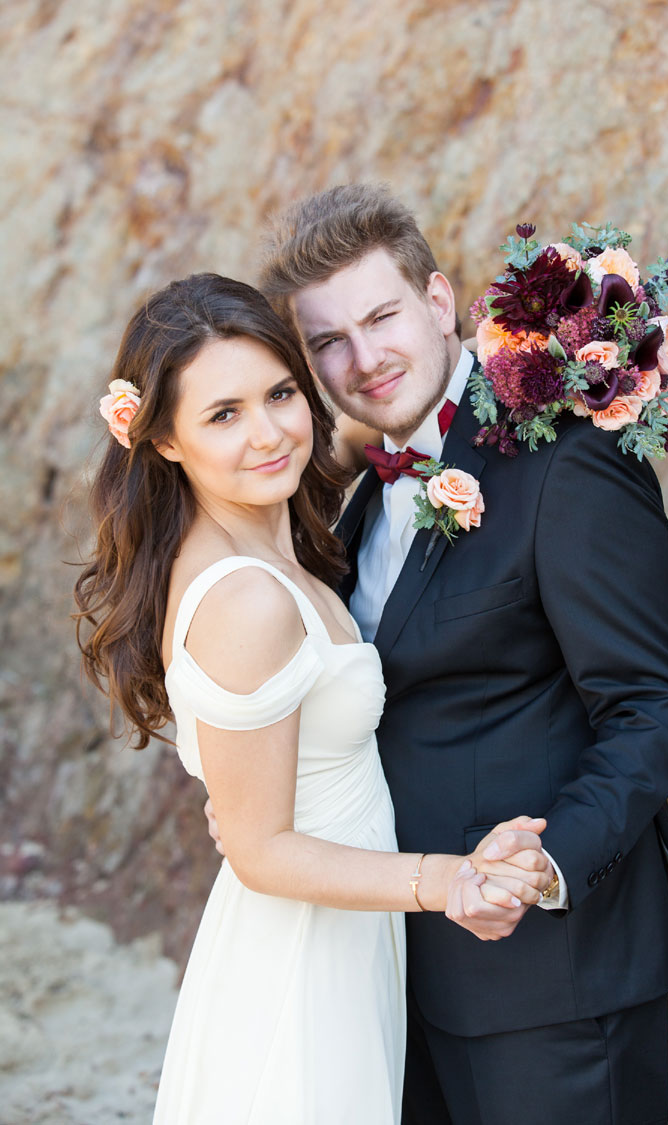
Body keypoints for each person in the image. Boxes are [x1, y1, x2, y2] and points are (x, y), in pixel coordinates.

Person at [205, 184, 668, 1124]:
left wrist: (545, 870)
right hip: (402, 967)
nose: (364, 358)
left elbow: (652, 707)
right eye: (328, 340)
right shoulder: (359, 503)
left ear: (439, 300)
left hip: (556, 981)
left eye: (381, 316)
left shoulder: (569, 462)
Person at [73, 273, 553, 1124]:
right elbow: (261, 851)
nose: (267, 433)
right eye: (223, 414)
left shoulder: (285, 546)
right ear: (164, 441)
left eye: (281, 393)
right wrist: (449, 879)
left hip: (339, 933)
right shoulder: (246, 598)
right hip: (300, 956)